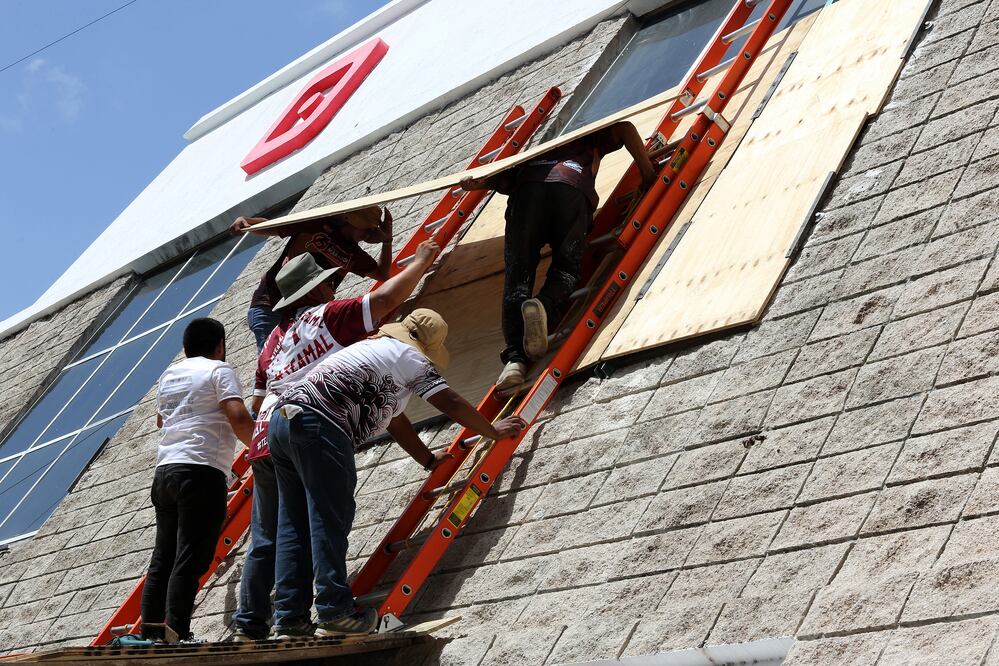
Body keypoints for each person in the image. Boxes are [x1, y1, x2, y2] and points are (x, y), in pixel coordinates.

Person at [230, 240, 441, 642]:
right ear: (314, 290)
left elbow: (258, 400)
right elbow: (384, 298)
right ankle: (333, 610)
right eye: (327, 283)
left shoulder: (274, 338)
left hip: (268, 437)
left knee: (281, 532)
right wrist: (422, 262)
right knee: (327, 516)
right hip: (314, 423)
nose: (333, 288)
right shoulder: (325, 316)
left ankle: (281, 619)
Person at [268, 309, 524, 637]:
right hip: (321, 424)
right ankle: (335, 612)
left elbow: (395, 419)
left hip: (283, 423)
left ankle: (289, 618)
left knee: (294, 524)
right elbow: (451, 403)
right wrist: (491, 430)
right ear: (429, 347)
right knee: (329, 518)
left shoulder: (372, 351)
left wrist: (428, 460)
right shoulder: (410, 358)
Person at [461, 121, 657, 391]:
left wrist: (477, 183)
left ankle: (515, 361)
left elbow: (496, 179)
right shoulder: (586, 135)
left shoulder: (528, 156)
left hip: (526, 192)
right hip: (570, 186)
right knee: (567, 269)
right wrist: (647, 172)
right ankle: (544, 303)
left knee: (518, 277)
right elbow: (625, 127)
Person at [140, 318, 254, 643]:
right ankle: (177, 633)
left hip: (165, 472)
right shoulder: (219, 370)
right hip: (200, 470)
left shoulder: (169, 376)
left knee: (163, 557)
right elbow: (237, 415)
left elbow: (163, 419)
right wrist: (263, 446)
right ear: (219, 345)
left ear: (186, 347)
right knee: (191, 555)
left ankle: (151, 634)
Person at [232, 205, 394, 351]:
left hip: (303, 315)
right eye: (366, 229)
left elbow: (382, 274)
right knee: (272, 362)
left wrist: (387, 241)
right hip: (270, 304)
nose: (366, 235)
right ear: (350, 221)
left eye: (370, 232)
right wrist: (246, 221)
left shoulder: (354, 254)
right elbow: (272, 226)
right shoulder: (315, 224)